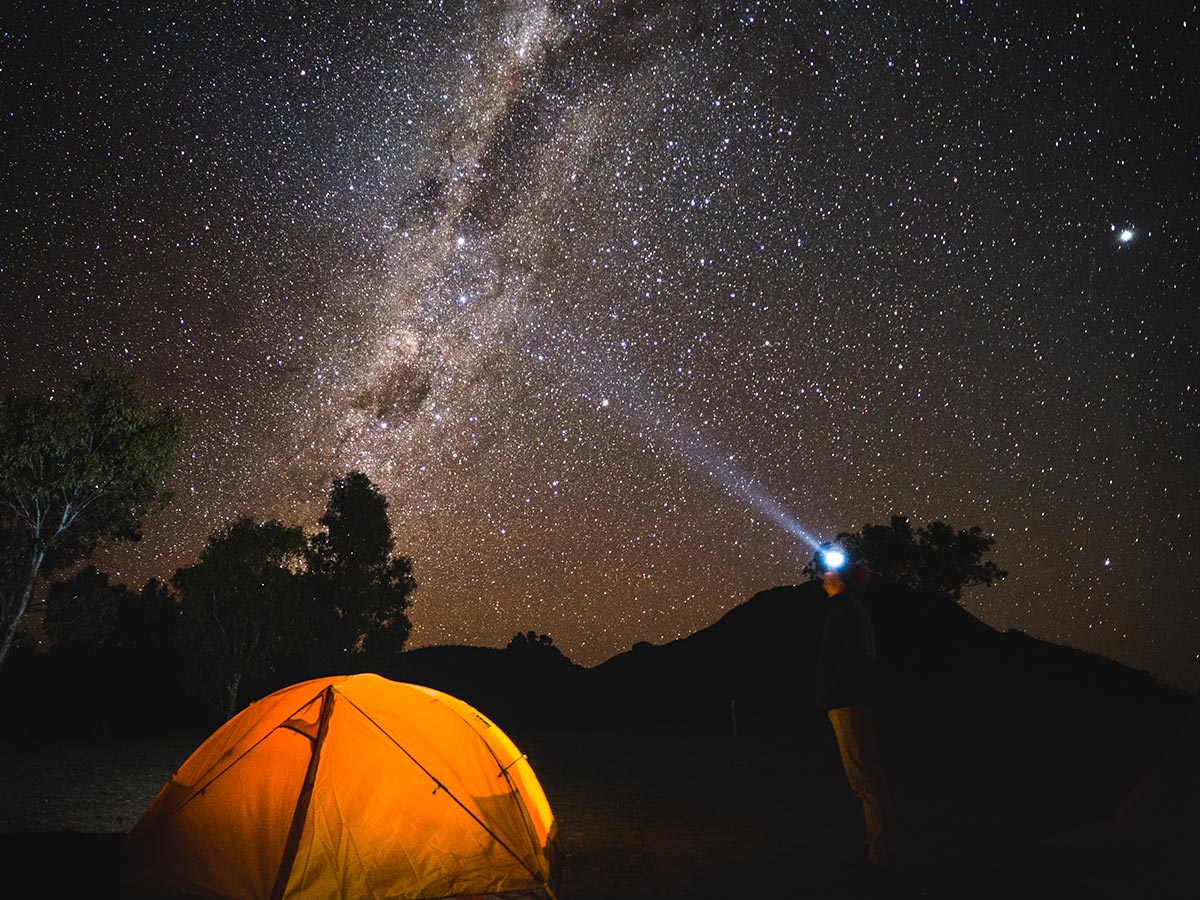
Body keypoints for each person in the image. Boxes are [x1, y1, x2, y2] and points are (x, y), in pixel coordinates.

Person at [817, 560, 902, 865]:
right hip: (852, 700)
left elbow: (843, 660)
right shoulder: (852, 610)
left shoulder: (844, 610)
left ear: (842, 578)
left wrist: (833, 691)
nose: (823, 574)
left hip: (849, 702)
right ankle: (880, 845)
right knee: (867, 776)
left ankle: (883, 851)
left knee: (865, 777)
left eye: (830, 571)